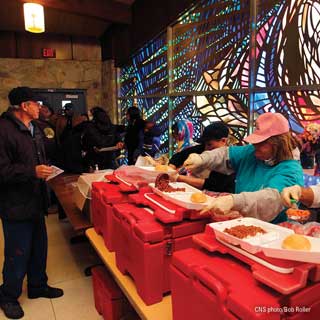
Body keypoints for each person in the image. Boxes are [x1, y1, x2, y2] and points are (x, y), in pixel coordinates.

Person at [0, 87, 63, 320]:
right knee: (17, 253)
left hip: (36, 201)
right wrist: (32, 171)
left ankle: (37, 286)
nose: (41, 107)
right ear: (24, 106)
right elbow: (3, 171)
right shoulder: (3, 130)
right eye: (36, 103)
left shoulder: (35, 128)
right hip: (15, 205)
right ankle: (8, 296)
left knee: (39, 248)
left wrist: (46, 171)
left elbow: (39, 159)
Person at [183, 112, 304, 223]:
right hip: (244, 223)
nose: (255, 145)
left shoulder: (291, 170)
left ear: (278, 144)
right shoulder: (252, 152)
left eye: (261, 143)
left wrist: (234, 201)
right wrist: (202, 159)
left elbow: (271, 199)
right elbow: (225, 154)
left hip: (275, 230)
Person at [169, 121, 235, 193]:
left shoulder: (229, 159)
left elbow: (212, 185)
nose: (206, 148)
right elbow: (178, 157)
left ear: (223, 141)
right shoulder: (201, 148)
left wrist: (179, 178)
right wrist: (171, 169)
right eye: (205, 144)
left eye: (210, 145)